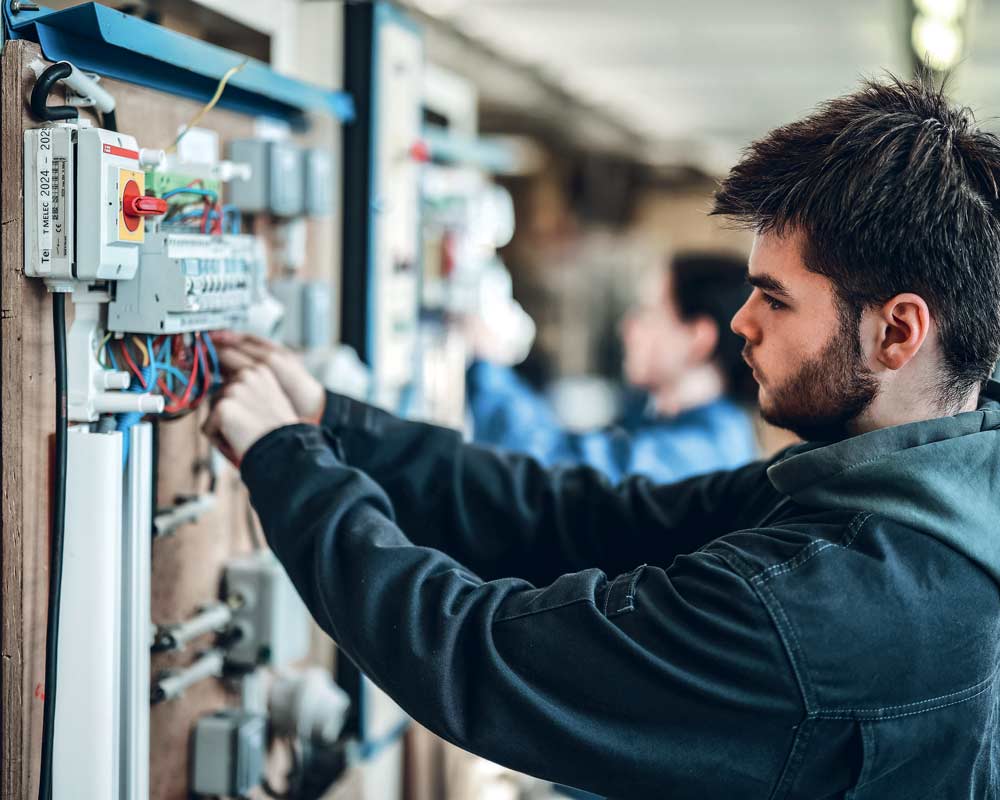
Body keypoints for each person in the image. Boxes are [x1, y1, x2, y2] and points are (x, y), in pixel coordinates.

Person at [205, 76, 1000, 797]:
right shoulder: (911, 495)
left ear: (897, 331)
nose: (740, 322)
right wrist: (333, 424)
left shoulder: (823, 605)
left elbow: (477, 657)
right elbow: (582, 516)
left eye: (775, 299)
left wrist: (286, 461)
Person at [467, 252, 758, 483]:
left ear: (698, 340)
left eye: (647, 312)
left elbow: (553, 467)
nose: (626, 328)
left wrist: (487, 363)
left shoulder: (700, 455)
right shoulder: (662, 415)